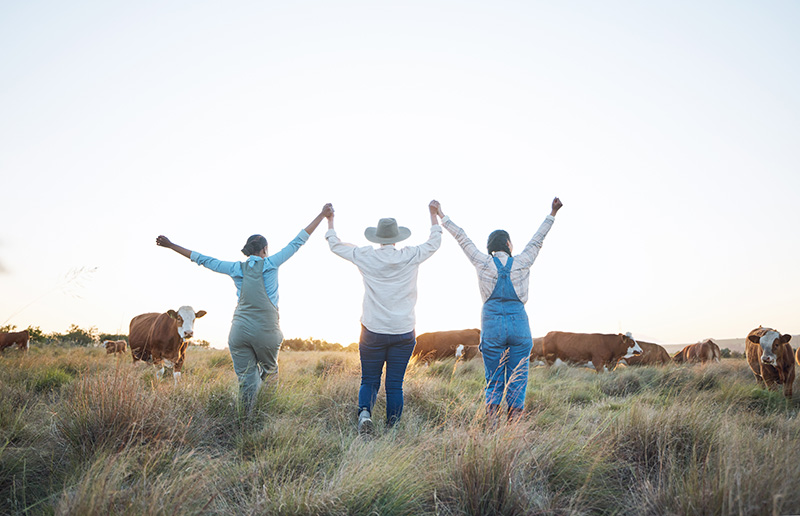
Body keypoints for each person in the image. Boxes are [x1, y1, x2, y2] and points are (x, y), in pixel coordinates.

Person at [156, 203, 333, 408]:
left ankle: (245, 418)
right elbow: (298, 240)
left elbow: (202, 259)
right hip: (267, 330)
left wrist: (171, 245)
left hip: (239, 332)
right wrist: (322, 215)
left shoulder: (235, 268)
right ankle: (265, 413)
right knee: (269, 372)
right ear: (265, 250)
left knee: (246, 379)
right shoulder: (271, 263)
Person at [434, 197, 563, 423]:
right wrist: (552, 213)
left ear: (490, 247)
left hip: (492, 325)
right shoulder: (522, 261)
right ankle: (513, 430)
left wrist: (442, 215)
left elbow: (462, 238)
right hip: (519, 326)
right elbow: (537, 240)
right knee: (518, 378)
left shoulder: (483, 262)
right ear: (508, 245)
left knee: (493, 379)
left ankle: (492, 427)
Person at [325, 201, 442, 435]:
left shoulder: (365, 255)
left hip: (373, 330)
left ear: (378, 238)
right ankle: (393, 429)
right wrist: (433, 216)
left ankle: (365, 414)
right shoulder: (411, 255)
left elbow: (335, 245)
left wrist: (330, 221)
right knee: (394, 385)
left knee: (369, 379)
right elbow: (435, 242)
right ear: (397, 238)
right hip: (403, 331)